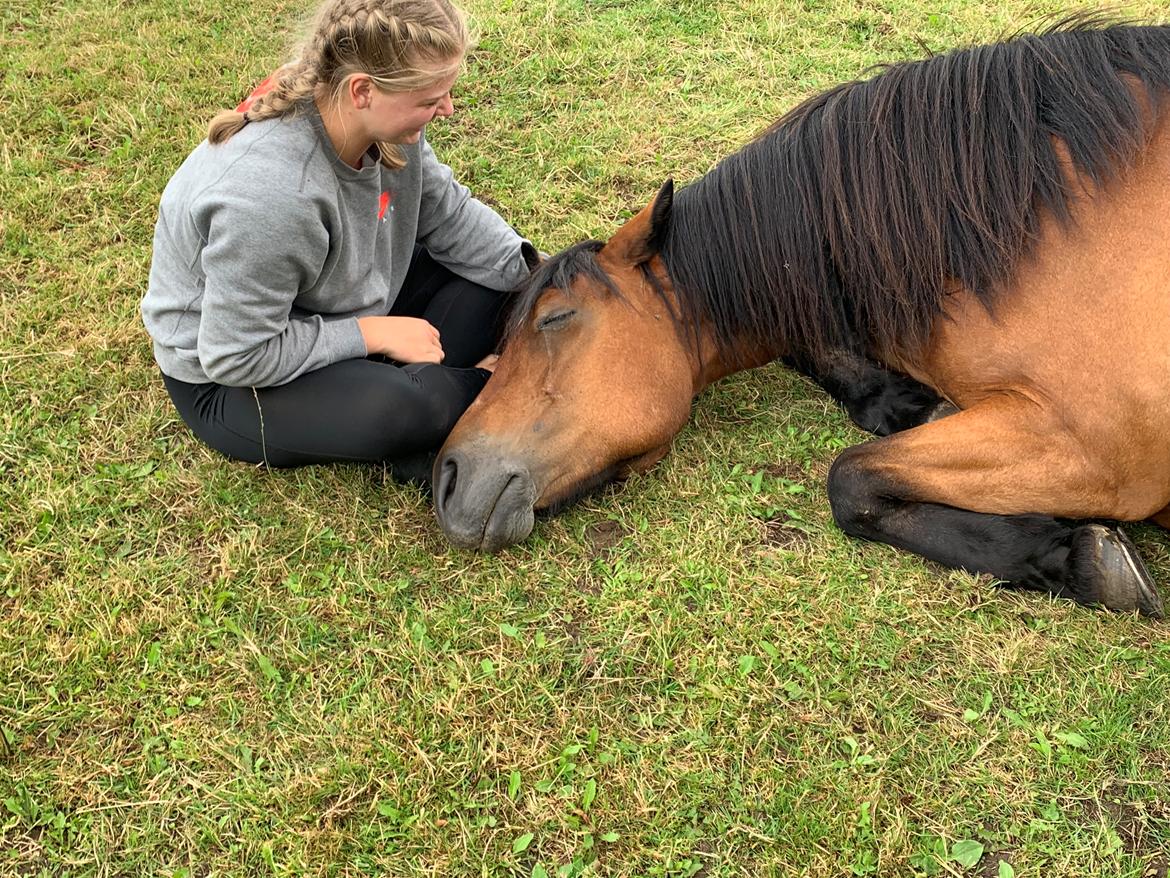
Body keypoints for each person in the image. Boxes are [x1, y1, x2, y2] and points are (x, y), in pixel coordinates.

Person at [140, 0, 537, 481]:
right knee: (399, 409)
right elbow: (236, 355)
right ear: (363, 90)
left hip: (349, 292)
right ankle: (478, 386)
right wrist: (371, 334)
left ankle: (431, 398)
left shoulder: (376, 122)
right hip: (232, 378)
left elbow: (450, 216)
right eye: (430, 100)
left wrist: (548, 280)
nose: (447, 110)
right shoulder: (273, 197)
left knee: (503, 281)